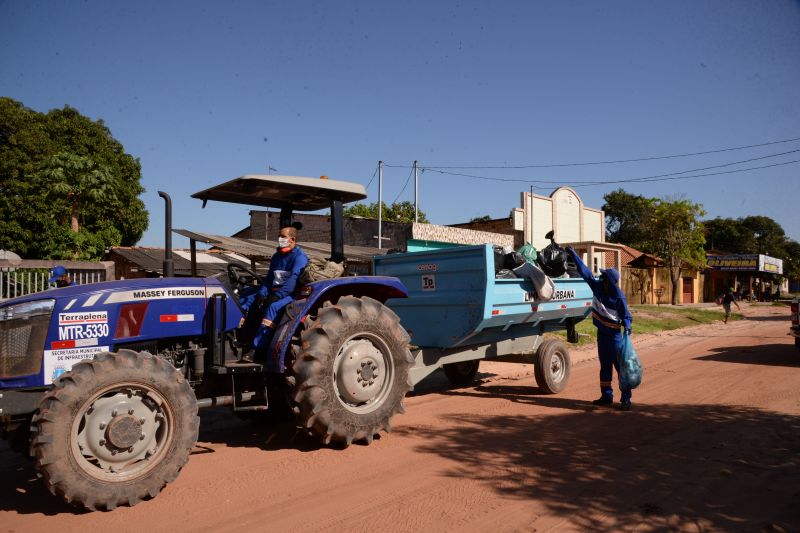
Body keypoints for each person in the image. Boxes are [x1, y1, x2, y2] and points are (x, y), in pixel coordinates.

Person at [566, 247, 634, 411]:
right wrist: (574, 255)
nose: (600, 277)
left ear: (608, 281)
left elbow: (626, 316)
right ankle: (606, 396)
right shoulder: (597, 287)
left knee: (620, 368)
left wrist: (628, 326)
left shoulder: (618, 296)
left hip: (615, 337)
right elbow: (586, 273)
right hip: (602, 335)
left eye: (603, 276)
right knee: (604, 366)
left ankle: (626, 399)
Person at [248, 225, 309, 352]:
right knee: (249, 299)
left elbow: (293, 280)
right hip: (274, 292)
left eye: (283, 237)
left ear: (292, 239)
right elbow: (270, 277)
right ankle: (243, 337)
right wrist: (262, 293)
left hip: (290, 294)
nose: (279, 239)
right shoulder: (277, 256)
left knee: (272, 307)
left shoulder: (299, 257)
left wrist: (276, 296)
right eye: (279, 236)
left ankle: (256, 349)